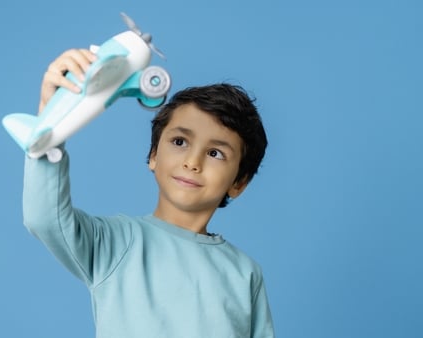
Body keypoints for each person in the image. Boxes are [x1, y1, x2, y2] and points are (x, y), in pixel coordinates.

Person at [22, 48, 275, 337]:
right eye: (180, 141)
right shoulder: (116, 242)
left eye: (215, 153)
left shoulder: (245, 274)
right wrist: (50, 124)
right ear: (153, 154)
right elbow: (44, 218)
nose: (193, 162)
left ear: (239, 182)